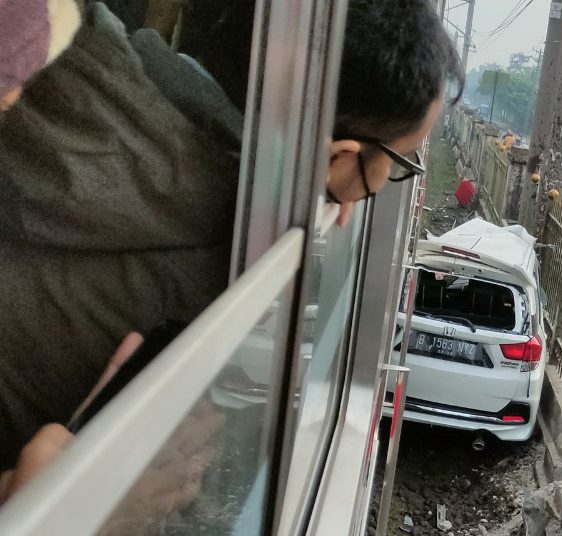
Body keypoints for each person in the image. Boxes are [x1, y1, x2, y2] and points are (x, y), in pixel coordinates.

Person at [0, 0, 462, 471]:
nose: (382, 183)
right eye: (397, 162)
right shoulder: (225, 251)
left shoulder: (58, 39)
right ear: (339, 154)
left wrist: (314, 179)